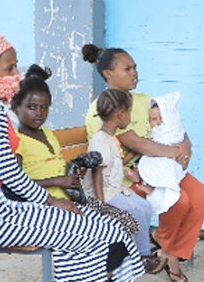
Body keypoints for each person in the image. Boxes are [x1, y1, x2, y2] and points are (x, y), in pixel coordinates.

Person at [0, 19, 143, 282]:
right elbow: (7, 171)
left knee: (101, 227)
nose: (16, 75)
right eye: (9, 68)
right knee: (97, 231)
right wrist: (51, 201)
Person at [83, 44, 204, 282]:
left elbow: (171, 124)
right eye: (127, 68)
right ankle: (169, 254)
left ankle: (167, 251)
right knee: (179, 201)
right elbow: (135, 143)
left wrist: (185, 146)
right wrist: (173, 152)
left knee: (202, 197)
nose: (134, 73)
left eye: (135, 67)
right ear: (108, 74)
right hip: (126, 179)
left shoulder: (144, 100)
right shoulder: (103, 108)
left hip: (162, 169)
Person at [11, 65, 142, 243]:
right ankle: (101, 270)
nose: (39, 113)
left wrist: (75, 172)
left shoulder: (48, 135)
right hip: (44, 207)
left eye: (44, 108)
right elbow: (16, 186)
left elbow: (58, 167)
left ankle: (108, 270)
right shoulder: (18, 142)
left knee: (126, 223)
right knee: (111, 230)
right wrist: (58, 181)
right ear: (15, 107)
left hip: (72, 199)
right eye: (32, 107)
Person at [78, 88, 159, 273]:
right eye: (129, 112)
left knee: (145, 207)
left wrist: (132, 154)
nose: (131, 117)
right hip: (104, 194)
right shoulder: (100, 139)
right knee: (135, 210)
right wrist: (100, 204)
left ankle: (139, 250)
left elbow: (113, 163)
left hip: (115, 188)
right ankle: (142, 255)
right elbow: (97, 170)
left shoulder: (110, 137)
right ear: (120, 114)